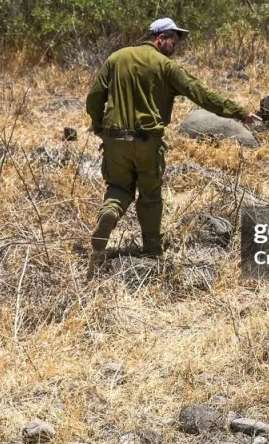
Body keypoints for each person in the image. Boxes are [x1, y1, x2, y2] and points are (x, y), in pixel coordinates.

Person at [86, 18, 260, 266]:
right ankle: (152, 251)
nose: (175, 47)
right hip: (148, 142)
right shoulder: (166, 67)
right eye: (174, 41)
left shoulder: (116, 58)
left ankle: (109, 214)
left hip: (115, 140)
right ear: (160, 38)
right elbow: (201, 94)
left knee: (118, 188)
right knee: (150, 195)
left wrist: (98, 126)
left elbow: (94, 96)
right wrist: (239, 112)